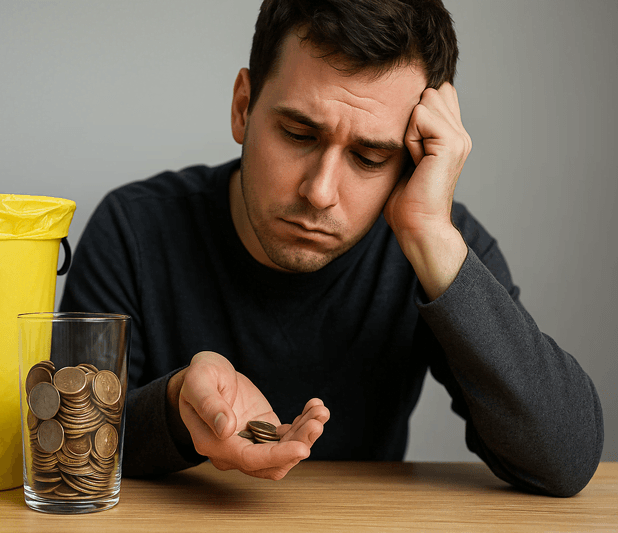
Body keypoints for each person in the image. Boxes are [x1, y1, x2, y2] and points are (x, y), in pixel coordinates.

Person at [60, 0, 603, 497]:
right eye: (299, 133)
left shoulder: (435, 247)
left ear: (410, 162)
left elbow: (565, 460)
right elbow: (66, 448)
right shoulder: (132, 229)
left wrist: (432, 240)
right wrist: (178, 406)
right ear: (243, 107)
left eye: (369, 158)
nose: (320, 192)